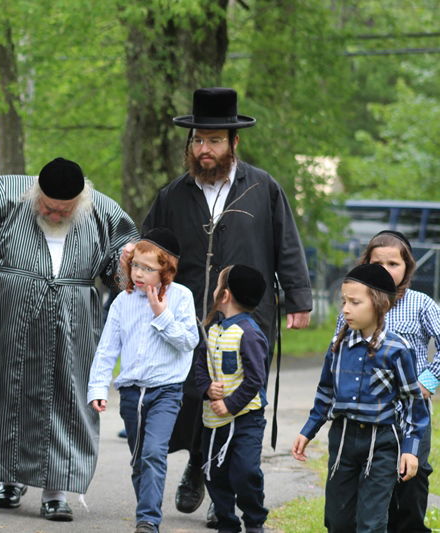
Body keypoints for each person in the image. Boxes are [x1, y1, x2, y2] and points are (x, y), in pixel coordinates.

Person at [0, 157, 137, 522]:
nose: (57, 215)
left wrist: (129, 262)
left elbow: (124, 260)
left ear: (80, 201)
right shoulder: (6, 193)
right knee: (6, 391)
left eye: (65, 210)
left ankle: (56, 491)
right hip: (6, 317)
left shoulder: (102, 211)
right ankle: (9, 478)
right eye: (48, 207)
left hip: (72, 321)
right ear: (37, 193)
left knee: (65, 398)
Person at [137, 87, 313, 524]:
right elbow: (147, 247)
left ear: (234, 143)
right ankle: (200, 464)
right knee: (197, 392)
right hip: (187, 317)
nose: (204, 149)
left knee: (239, 395)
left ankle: (223, 497)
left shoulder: (263, 188)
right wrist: (137, 285)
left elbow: (287, 244)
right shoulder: (173, 195)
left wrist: (299, 297)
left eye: (214, 141)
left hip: (247, 318)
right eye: (198, 140)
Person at [292, 263, 429, 532]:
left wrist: (411, 451)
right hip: (343, 439)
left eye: (354, 302)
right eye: (344, 301)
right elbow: (325, 394)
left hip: (382, 444)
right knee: (337, 520)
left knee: (371, 522)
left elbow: (414, 404)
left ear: (380, 304)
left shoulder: (397, 349)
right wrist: (308, 431)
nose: (345, 309)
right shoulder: (337, 346)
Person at [87, 228, 199, 533]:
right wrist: (98, 388)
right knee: (139, 459)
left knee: (153, 453)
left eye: (148, 268)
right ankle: (146, 512)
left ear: (166, 270)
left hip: (166, 392)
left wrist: (161, 314)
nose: (138, 273)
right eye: (135, 265)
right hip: (131, 394)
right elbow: (107, 348)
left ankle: (148, 520)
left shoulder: (181, 298)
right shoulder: (123, 301)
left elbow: (189, 341)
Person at [337, 230, 440, 532]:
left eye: (393, 264)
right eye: (377, 262)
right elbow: (338, 348)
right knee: (365, 479)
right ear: (365, 263)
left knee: (411, 477)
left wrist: (427, 380)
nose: (385, 269)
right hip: (365, 415)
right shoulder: (354, 303)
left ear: (407, 267)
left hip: (410, 412)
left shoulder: (420, 303)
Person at [194, 265, 269, 533]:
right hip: (214, 421)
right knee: (214, 474)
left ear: (224, 295)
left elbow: (255, 378)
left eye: (217, 285)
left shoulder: (248, 333)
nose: (213, 290)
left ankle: (254, 520)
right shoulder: (212, 330)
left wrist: (229, 403)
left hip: (246, 419)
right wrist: (206, 389)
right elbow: (200, 367)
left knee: (245, 471)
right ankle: (226, 522)